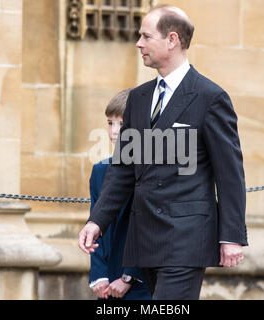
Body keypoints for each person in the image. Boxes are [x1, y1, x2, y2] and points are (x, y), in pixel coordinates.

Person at [79, 4, 248, 300]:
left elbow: (230, 173)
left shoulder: (211, 97)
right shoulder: (139, 98)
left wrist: (231, 236)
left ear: (172, 40)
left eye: (146, 37)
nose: (138, 43)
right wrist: (97, 221)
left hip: (187, 238)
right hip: (144, 237)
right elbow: (123, 169)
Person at [88, 88, 152, 300]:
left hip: (142, 279)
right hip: (107, 282)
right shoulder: (99, 170)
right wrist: (99, 276)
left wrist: (129, 277)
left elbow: (149, 229)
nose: (114, 131)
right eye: (110, 123)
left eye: (121, 124)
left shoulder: (150, 171)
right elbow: (96, 225)